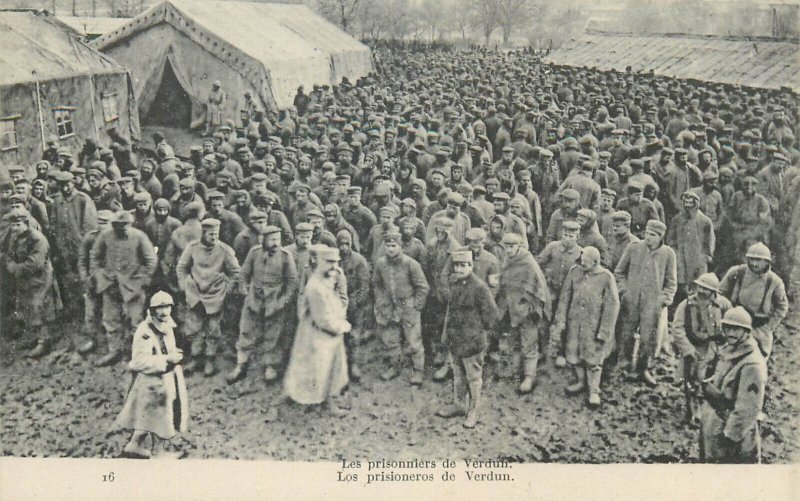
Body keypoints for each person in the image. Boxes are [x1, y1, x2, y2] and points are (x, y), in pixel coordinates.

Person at [115, 291, 188, 459]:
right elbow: (139, 361)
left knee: (147, 414)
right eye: (159, 308)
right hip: (151, 382)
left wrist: (173, 354)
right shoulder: (144, 332)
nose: (164, 312)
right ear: (152, 310)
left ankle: (134, 445)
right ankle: (159, 452)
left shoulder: (167, 325)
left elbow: (164, 348)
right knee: (160, 417)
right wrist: (167, 358)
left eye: (167, 307)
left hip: (164, 379)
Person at [283, 246, 351, 416]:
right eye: (329, 263)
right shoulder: (315, 287)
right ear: (319, 262)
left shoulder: (326, 279)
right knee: (321, 370)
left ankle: (320, 399)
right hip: (318, 335)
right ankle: (326, 403)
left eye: (335, 263)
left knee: (327, 369)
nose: (333, 267)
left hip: (327, 334)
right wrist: (343, 326)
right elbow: (324, 319)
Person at [227, 225, 298, 385]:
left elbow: (292, 283)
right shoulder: (254, 253)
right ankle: (241, 365)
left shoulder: (286, 256)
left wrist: (282, 301)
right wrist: (245, 292)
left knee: (273, 335)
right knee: (246, 331)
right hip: (254, 298)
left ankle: (270, 366)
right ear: (263, 239)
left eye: (277, 239)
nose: (275, 243)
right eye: (272, 239)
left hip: (275, 300)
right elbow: (244, 275)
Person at [436, 249, 498, 428]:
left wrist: (476, 331)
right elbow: (450, 310)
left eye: (464, 265)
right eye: (457, 265)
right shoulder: (454, 282)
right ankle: (458, 404)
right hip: (456, 338)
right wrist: (446, 333)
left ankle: (474, 410)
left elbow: (492, 315)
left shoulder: (479, 287)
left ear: (471, 266)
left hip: (472, 341)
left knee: (474, 377)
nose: (460, 268)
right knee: (458, 374)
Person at [552, 246, 620, 407]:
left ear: (595, 262)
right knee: (574, 355)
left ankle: (594, 390)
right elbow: (565, 296)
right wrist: (561, 319)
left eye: (586, 263)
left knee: (593, 360)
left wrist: (604, 331)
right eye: (581, 261)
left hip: (593, 327)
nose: (583, 265)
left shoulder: (605, 277)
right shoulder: (574, 272)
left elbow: (612, 306)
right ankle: (581, 381)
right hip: (574, 324)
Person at [699, 307, 767, 463]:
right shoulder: (729, 350)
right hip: (715, 424)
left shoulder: (752, 364)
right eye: (727, 327)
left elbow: (748, 409)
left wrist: (729, 436)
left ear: (746, 332)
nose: (730, 332)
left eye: (736, 329)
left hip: (733, 437)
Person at [89, 211, 158, 367]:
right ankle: (114, 351)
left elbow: (151, 260)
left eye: (125, 225)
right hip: (110, 284)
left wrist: (142, 281)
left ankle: (137, 353)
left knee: (136, 321)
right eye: (118, 226)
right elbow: (95, 257)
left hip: (133, 286)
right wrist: (99, 276)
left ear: (131, 224)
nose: (122, 228)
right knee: (110, 320)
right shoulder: (105, 236)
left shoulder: (139, 236)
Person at [614, 219, 677, 387]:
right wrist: (624, 291)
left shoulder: (668, 254)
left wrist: (664, 299)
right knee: (626, 333)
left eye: (653, 235)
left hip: (653, 303)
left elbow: (671, 282)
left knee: (649, 337)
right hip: (631, 300)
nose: (649, 238)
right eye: (647, 233)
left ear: (661, 237)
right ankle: (625, 365)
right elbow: (619, 272)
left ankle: (643, 368)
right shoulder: (634, 248)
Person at [176, 219, 241, 377]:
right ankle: (196, 358)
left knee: (213, 328)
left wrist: (227, 289)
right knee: (194, 327)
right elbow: (181, 267)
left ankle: (210, 359)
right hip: (195, 293)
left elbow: (236, 272)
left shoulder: (225, 250)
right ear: (203, 233)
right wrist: (185, 285)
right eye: (211, 234)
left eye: (216, 234)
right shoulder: (192, 248)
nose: (214, 237)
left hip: (215, 294)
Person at [0, 209, 61, 358]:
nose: (14, 228)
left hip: (40, 280)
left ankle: (44, 342)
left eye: (18, 224)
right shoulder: (17, 237)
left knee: (39, 308)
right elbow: (10, 253)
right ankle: (34, 338)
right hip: (26, 281)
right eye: (13, 225)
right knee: (27, 309)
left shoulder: (37, 239)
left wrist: (11, 265)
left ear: (26, 223)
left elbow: (33, 265)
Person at [372, 228, 430, 385]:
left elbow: (422, 287)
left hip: (408, 306)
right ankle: (395, 366)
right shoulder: (381, 264)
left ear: (400, 247)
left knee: (413, 340)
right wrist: (381, 300)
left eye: (394, 246)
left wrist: (416, 306)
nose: (390, 249)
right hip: (389, 305)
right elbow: (377, 284)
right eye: (388, 246)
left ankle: (418, 370)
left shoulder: (411, 264)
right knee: (391, 339)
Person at [496, 232, 550, 394]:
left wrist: (530, 309)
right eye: (506, 246)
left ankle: (529, 376)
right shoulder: (506, 260)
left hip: (527, 310)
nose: (509, 249)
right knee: (513, 341)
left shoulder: (528, 263)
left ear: (520, 247)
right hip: (511, 309)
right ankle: (515, 369)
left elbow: (538, 289)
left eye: (512, 246)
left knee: (529, 344)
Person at [719, 243, 788, 359]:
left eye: (758, 260)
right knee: (725, 360)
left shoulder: (775, 281)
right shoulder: (736, 272)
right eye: (751, 259)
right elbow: (720, 293)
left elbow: (782, 306)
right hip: (733, 325)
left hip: (759, 328)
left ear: (767, 262)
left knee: (757, 363)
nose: (754, 263)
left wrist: (769, 327)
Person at [671, 273, 732, 388]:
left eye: (706, 289)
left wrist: (725, 345)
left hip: (715, 345)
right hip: (694, 344)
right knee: (686, 376)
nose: (701, 291)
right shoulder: (686, 305)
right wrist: (687, 349)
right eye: (700, 287)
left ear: (713, 292)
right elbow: (677, 328)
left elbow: (731, 325)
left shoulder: (723, 305)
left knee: (713, 377)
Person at [76, 210, 114, 355]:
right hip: (92, 282)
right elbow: (82, 260)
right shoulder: (90, 238)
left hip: (110, 284)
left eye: (106, 222)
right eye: (100, 222)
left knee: (110, 316)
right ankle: (93, 340)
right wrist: (85, 277)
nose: (102, 225)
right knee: (90, 314)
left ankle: (112, 347)